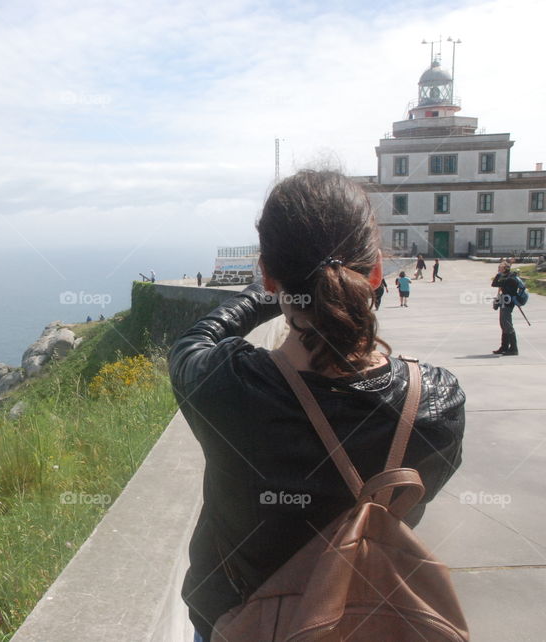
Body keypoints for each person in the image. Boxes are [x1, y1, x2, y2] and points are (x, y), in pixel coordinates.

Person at [169, 170, 464, 642]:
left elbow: (194, 341)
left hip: (243, 623)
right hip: (373, 621)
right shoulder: (438, 400)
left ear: (268, 272)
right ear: (375, 272)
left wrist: (270, 295)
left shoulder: (226, 388)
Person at [492, 261, 520, 355]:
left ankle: (513, 349)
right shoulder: (507, 277)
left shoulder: (509, 278)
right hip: (504, 302)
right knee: (503, 324)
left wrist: (499, 274)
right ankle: (504, 347)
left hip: (508, 304)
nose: (498, 269)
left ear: (505, 269)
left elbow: (495, 283)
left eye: (500, 267)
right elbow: (496, 284)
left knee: (507, 325)